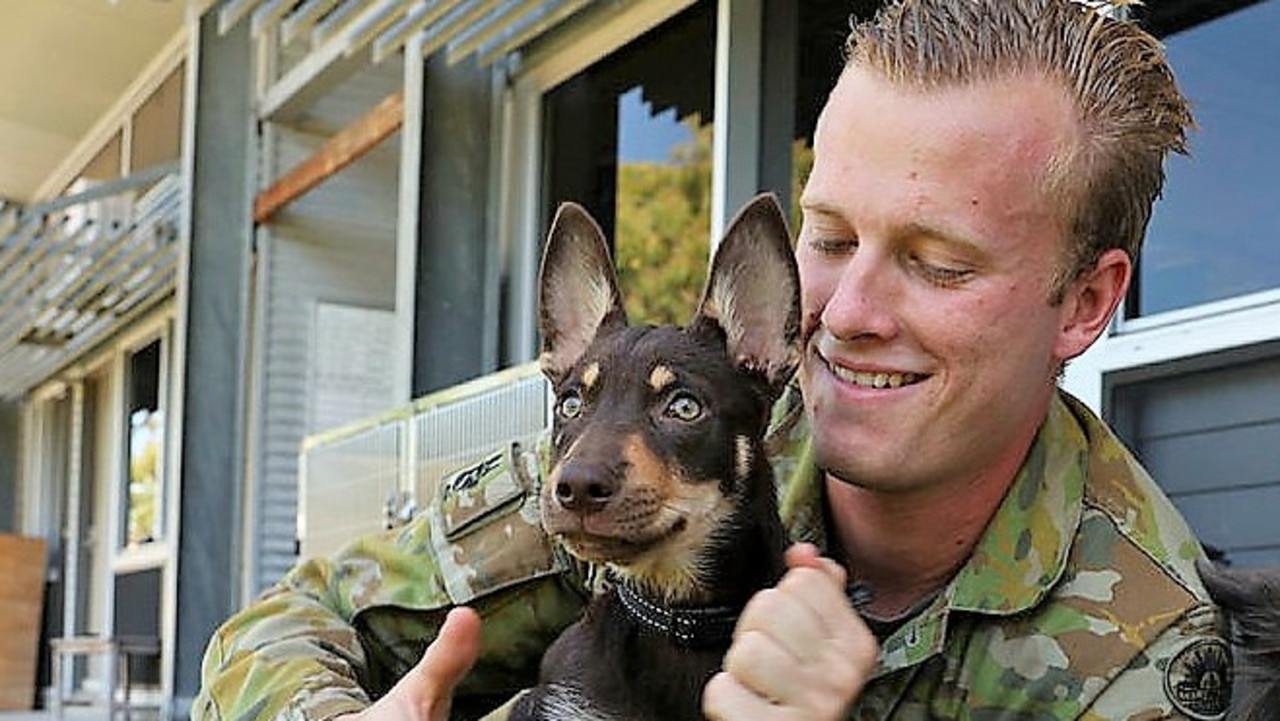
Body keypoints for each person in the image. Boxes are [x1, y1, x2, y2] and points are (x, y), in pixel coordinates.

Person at [194, 0, 1232, 719]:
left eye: (938, 263)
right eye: (825, 239)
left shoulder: (1129, 658)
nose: (845, 314)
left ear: (1085, 303)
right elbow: (295, 616)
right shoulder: (697, 424)